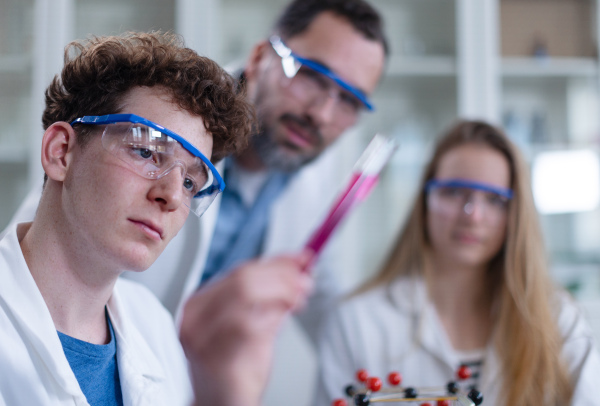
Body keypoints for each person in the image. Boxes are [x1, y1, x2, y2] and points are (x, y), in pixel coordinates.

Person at [3, 0, 389, 344]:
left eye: (349, 100)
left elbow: (324, 300)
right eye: (311, 76)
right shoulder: (161, 111)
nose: (321, 113)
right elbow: (44, 246)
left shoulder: (316, 182)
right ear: (259, 58)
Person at [0, 31, 313, 406]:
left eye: (190, 181)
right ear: (61, 152)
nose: (171, 196)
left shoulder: (155, 327)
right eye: (146, 153)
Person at [314, 120, 600, 406]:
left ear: (516, 215)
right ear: (425, 200)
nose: (472, 215)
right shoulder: (356, 322)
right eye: (453, 192)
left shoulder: (559, 321)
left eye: (495, 200)